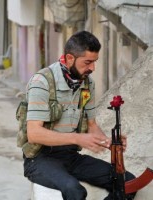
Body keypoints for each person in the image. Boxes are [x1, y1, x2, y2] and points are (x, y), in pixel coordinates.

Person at [23, 31, 136, 200]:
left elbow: (91, 125)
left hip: (70, 156)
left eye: (94, 62)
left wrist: (109, 142)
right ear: (70, 58)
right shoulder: (42, 82)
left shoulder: (87, 83)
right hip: (40, 159)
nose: (92, 68)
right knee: (74, 190)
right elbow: (34, 134)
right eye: (88, 62)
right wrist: (77, 138)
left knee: (127, 182)